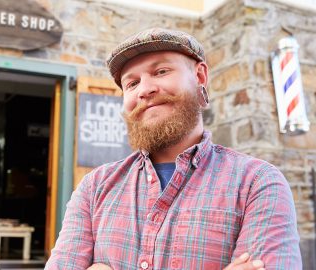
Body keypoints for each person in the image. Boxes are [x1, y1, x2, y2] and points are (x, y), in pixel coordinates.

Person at [45, 28, 301, 269]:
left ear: (200, 76)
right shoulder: (94, 188)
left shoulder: (257, 183)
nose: (145, 89)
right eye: (132, 83)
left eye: (161, 71)